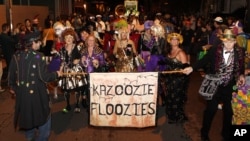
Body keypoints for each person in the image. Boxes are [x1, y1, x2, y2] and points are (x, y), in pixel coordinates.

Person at [183, 29, 245, 141]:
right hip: (215, 84)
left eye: (231, 42)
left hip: (229, 86)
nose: (228, 44)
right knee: (210, 111)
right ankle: (204, 133)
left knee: (229, 112)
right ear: (222, 41)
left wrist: (241, 76)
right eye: (226, 42)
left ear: (235, 41)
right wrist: (192, 68)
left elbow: (241, 67)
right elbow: (203, 60)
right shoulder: (215, 50)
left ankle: (226, 134)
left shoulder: (240, 52)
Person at [8, 31, 62, 141]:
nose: (40, 44)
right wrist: (57, 74)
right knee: (44, 118)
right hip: (38, 94)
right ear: (33, 43)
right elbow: (44, 77)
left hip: (22, 94)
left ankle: (29, 137)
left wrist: (14, 89)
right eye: (38, 42)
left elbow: (10, 77)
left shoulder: (16, 55)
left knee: (28, 116)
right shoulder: (39, 56)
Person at [161, 33, 190, 124]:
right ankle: (171, 114)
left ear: (179, 41)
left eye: (176, 39)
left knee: (176, 98)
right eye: (172, 39)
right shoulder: (169, 51)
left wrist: (183, 83)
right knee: (169, 96)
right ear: (170, 41)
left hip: (178, 80)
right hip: (169, 79)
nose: (174, 41)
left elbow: (186, 68)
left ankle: (176, 116)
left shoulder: (181, 52)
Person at [58, 28, 85, 113]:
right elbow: (62, 61)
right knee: (66, 90)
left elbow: (84, 57)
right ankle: (68, 105)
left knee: (77, 89)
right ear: (64, 39)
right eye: (66, 37)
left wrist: (79, 60)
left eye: (70, 37)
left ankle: (77, 105)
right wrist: (60, 71)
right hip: (66, 70)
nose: (69, 39)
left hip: (76, 70)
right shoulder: (62, 49)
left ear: (73, 38)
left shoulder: (79, 47)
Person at [80, 35, 106, 108]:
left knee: (94, 89)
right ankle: (85, 100)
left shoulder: (99, 51)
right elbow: (79, 63)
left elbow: (103, 62)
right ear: (86, 41)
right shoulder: (83, 50)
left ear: (95, 42)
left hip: (95, 73)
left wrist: (98, 62)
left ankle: (95, 103)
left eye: (92, 40)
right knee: (85, 89)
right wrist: (81, 61)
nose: (91, 42)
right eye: (89, 40)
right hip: (85, 73)